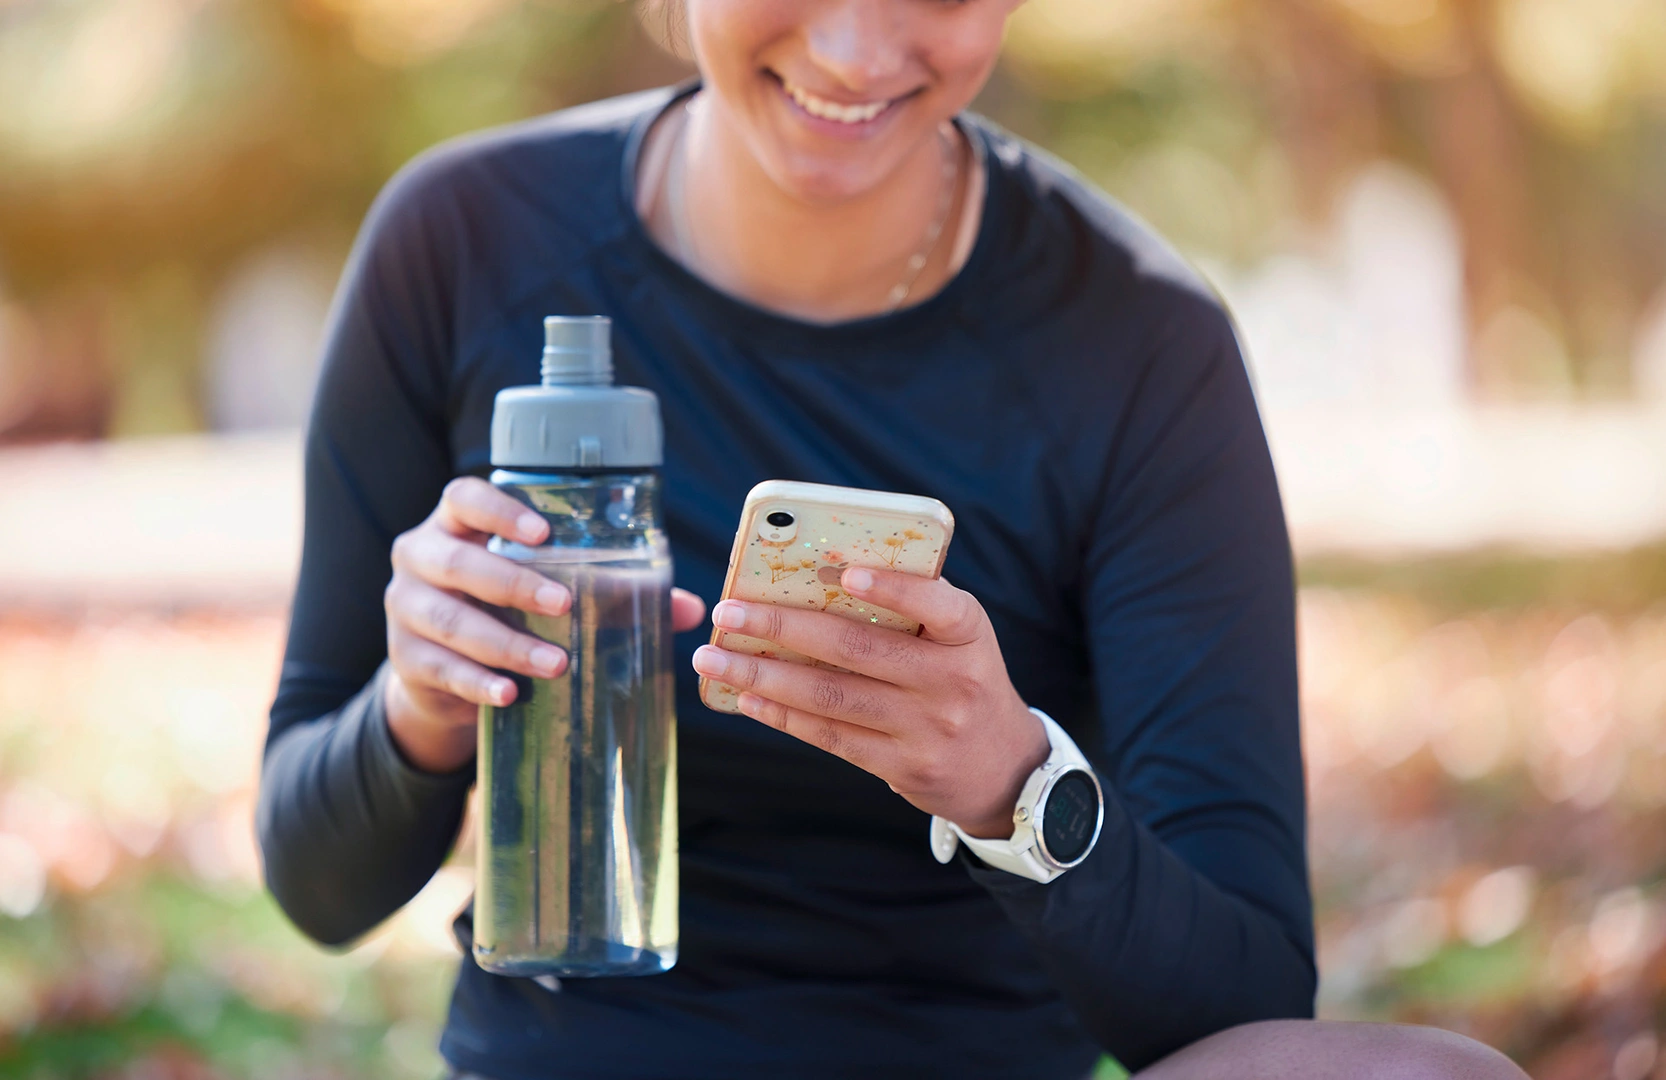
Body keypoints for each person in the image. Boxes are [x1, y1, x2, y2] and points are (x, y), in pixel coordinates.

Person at [256, 2, 1531, 1077]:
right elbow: (317, 888)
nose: (859, 53)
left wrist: (1008, 782)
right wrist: (421, 706)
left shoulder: (1140, 346)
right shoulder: (463, 240)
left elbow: (1241, 1002)